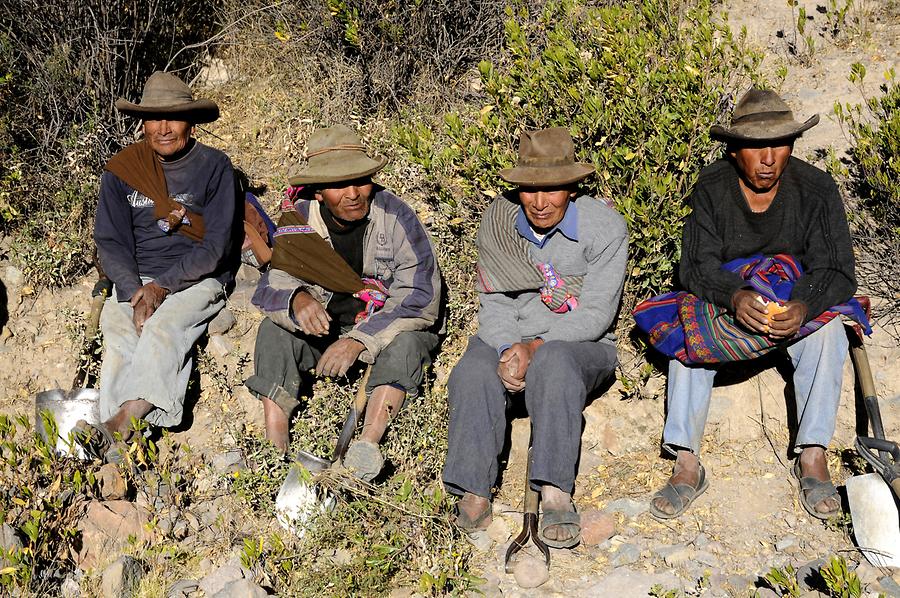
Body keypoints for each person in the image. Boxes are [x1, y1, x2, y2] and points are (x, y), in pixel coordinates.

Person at [634, 88, 869, 521]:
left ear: (792, 145)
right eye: (756, 147)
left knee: (830, 331)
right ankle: (687, 462)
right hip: (734, 301)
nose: (768, 159)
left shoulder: (816, 189)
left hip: (792, 302)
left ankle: (812, 455)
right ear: (734, 149)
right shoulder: (711, 185)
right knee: (689, 330)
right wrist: (735, 296)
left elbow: (837, 271)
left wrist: (801, 305)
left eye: (779, 145)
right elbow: (695, 266)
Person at [442, 128, 628, 549]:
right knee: (471, 371)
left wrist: (535, 348)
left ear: (572, 188)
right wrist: (510, 347)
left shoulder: (604, 228)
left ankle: (555, 491)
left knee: (555, 362)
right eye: (529, 191)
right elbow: (494, 302)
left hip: (580, 342)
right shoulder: (499, 222)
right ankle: (473, 491)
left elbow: (598, 313)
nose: (540, 203)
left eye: (553, 191)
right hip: (513, 336)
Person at [246, 125, 443, 482]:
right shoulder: (300, 221)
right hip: (326, 331)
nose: (353, 194)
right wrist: (298, 299)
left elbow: (419, 298)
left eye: (361, 180)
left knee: (410, 343)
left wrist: (359, 341)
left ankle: (366, 445)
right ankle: (275, 444)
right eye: (338, 185)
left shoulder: (397, 217)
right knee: (271, 333)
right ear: (319, 192)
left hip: (381, 333)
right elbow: (270, 285)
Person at [79, 71, 238, 458]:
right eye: (154, 118)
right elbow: (111, 241)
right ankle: (118, 449)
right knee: (118, 333)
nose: (163, 128)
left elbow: (216, 246)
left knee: (164, 326)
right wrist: (135, 290)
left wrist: (160, 287)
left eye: (174, 117)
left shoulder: (215, 167)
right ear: (143, 123)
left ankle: (120, 424)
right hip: (138, 280)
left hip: (197, 277)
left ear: (191, 121)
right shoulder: (122, 170)